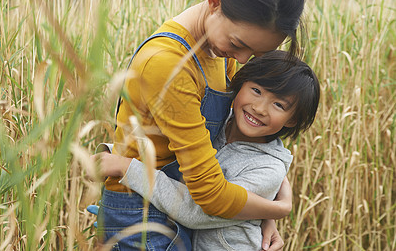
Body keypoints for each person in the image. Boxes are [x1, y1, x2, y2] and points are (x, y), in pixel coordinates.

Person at [88, 0, 307, 250]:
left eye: (254, 55)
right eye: (239, 45)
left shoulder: (218, 51)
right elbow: (210, 196)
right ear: (214, 5)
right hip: (142, 218)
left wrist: (264, 209)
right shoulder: (168, 65)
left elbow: (226, 144)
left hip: (177, 209)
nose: (242, 60)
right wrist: (278, 208)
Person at [94, 50, 320, 250]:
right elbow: (175, 153)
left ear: (292, 121)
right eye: (256, 90)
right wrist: (116, 152)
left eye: (279, 105)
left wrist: (128, 168)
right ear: (239, 84)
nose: (259, 108)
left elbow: (196, 211)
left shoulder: (267, 169)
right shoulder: (218, 121)